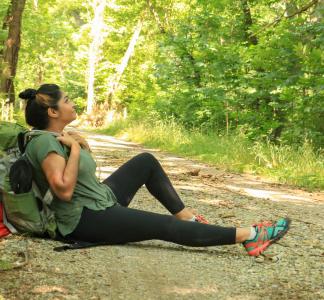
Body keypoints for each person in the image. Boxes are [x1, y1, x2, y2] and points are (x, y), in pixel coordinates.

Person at [19, 84, 290, 257]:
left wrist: (80, 145)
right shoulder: (44, 143)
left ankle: (190, 220)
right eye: (67, 100)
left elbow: (81, 178)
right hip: (83, 219)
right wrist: (76, 151)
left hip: (100, 199)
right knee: (164, 226)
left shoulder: (59, 137)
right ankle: (250, 236)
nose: (72, 103)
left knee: (145, 161)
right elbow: (64, 191)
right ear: (53, 112)